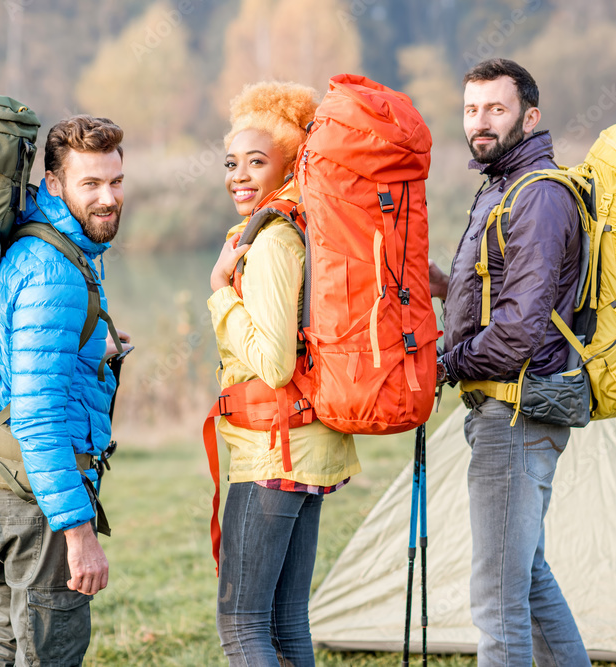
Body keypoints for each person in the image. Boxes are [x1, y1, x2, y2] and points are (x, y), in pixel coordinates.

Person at [429, 59, 590, 666]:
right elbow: (510, 295)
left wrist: (447, 363)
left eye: (496, 109)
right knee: (527, 578)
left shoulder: (539, 195)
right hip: (506, 408)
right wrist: (448, 289)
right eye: (472, 110)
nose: (481, 123)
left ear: (530, 115)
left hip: (517, 411)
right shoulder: (501, 185)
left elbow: (521, 328)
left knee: (497, 602)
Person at [207, 81, 361, 666]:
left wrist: (221, 293)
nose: (238, 176)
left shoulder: (272, 242)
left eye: (256, 162)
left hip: (273, 453)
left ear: (290, 161)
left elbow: (272, 362)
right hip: (304, 446)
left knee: (243, 626)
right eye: (231, 162)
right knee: (285, 619)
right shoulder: (305, 224)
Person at [0, 114, 125, 666]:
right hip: (37, 501)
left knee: (8, 645)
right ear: (54, 184)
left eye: (115, 181)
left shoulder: (46, 245)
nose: (108, 197)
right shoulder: (53, 269)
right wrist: (77, 532)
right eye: (91, 184)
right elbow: (37, 413)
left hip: (2, 484)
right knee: (48, 656)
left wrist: (92, 345)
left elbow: (25, 361)